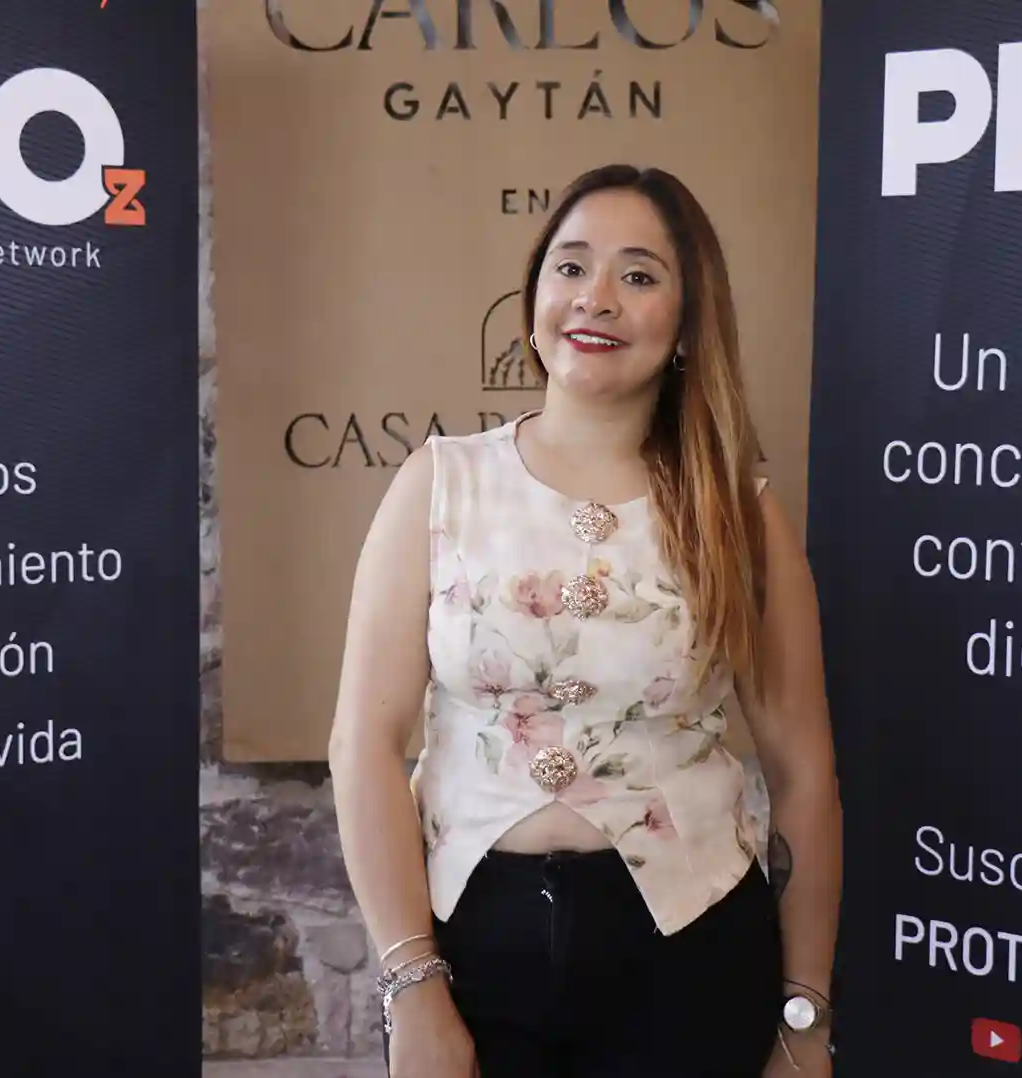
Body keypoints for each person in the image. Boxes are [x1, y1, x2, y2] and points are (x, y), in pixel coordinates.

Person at [329, 164, 843, 1077]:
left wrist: (803, 1021)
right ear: (534, 295)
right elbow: (363, 744)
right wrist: (412, 986)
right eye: (570, 267)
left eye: (638, 276)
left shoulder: (739, 514)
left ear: (687, 321)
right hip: (469, 954)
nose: (595, 297)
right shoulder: (440, 483)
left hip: (691, 960)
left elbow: (804, 776)